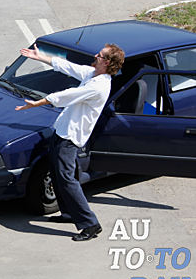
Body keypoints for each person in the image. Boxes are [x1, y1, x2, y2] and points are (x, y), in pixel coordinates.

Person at [15, 43, 125, 241]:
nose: (95, 55)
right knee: (58, 174)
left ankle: (90, 224)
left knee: (66, 179)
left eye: (99, 55)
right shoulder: (93, 74)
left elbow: (67, 95)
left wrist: (38, 103)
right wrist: (40, 57)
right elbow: (67, 66)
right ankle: (68, 214)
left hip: (70, 138)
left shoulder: (98, 86)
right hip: (62, 131)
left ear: (106, 62)